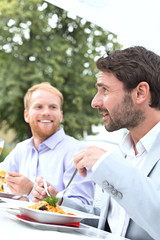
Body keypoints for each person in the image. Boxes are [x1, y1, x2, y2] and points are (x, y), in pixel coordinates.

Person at [33, 46, 160, 240]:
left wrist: (107, 164)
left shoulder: (114, 162)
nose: (95, 102)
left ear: (140, 93)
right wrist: (58, 203)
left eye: (105, 90)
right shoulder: (123, 152)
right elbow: (113, 224)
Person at [0, 82, 95, 204]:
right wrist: (21, 197)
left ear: (60, 116)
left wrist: (32, 190)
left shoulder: (78, 151)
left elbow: (84, 208)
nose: (46, 112)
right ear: (26, 115)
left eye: (53, 107)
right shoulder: (21, 149)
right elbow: (2, 180)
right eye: (39, 107)